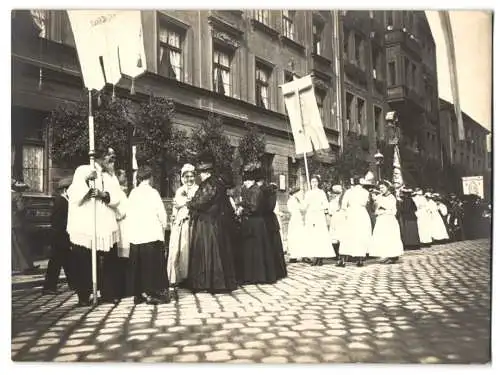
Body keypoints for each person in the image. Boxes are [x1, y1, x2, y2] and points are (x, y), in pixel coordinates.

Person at [66, 146, 125, 306]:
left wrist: (104, 195)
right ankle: (84, 295)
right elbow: (74, 193)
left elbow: (118, 198)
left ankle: (108, 292)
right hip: (87, 224)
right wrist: (87, 181)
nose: (112, 158)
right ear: (99, 157)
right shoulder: (84, 170)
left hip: (106, 223)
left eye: (113, 155)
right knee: (83, 260)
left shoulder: (111, 176)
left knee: (110, 260)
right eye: (109, 155)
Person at [186, 158, 237, 294]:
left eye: (201, 172)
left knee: (207, 251)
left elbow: (201, 202)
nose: (200, 175)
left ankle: (208, 282)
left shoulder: (209, 184)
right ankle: (219, 281)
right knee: (218, 251)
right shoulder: (219, 183)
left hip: (207, 222)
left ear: (206, 172)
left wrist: (189, 203)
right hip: (218, 221)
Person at [126, 165, 170, 305]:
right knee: (152, 265)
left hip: (137, 236)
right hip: (151, 235)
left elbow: (129, 213)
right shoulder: (153, 193)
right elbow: (161, 213)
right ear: (150, 178)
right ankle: (155, 293)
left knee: (139, 265)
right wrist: (164, 225)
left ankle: (139, 293)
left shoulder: (133, 193)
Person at [236, 162, 277, 284]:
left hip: (256, 223)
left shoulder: (255, 191)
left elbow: (254, 207)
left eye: (247, 181)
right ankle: (251, 275)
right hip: (251, 223)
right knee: (250, 250)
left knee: (256, 250)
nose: (245, 183)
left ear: (251, 180)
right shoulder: (250, 190)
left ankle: (258, 276)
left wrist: (242, 206)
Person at [167, 163, 199, 297]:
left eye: (191, 176)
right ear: (182, 177)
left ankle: (192, 278)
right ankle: (179, 277)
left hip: (192, 221)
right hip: (181, 223)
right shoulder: (179, 190)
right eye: (186, 177)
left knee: (191, 249)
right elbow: (175, 206)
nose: (189, 179)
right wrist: (173, 217)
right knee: (179, 249)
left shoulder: (198, 189)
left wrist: (186, 202)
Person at [42, 176, 74, 295]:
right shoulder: (61, 200)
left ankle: (74, 284)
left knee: (68, 261)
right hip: (59, 237)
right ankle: (48, 287)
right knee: (55, 263)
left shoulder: (65, 200)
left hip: (62, 237)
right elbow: (56, 220)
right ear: (66, 189)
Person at [257, 169, 287, 280]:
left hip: (267, 220)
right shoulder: (270, 190)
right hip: (271, 220)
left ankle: (273, 271)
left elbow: (268, 207)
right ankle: (278, 270)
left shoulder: (265, 191)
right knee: (274, 247)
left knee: (270, 246)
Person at [337, 176, 372, 267]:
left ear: (353, 182)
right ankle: (360, 259)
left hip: (351, 213)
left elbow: (344, 205)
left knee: (347, 235)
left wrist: (344, 213)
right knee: (361, 235)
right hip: (362, 214)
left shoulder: (349, 192)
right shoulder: (365, 192)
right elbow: (366, 203)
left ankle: (343, 260)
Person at [370, 180, 404, 264]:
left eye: (383, 187)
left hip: (389, 219)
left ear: (387, 188)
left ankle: (393, 256)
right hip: (381, 219)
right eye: (380, 188)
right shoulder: (379, 196)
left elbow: (391, 209)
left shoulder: (391, 197)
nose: (381, 189)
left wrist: (381, 206)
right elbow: (375, 208)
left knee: (390, 237)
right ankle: (387, 254)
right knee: (383, 237)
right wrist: (374, 201)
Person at [303, 175, 334, 266]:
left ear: (318, 182)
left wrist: (320, 208)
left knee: (320, 235)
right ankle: (314, 256)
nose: (314, 183)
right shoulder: (308, 193)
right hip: (310, 215)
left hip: (319, 216)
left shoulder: (321, 193)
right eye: (312, 182)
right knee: (312, 236)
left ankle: (320, 258)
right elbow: (305, 205)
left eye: (315, 182)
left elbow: (325, 204)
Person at [11, 179, 39, 274]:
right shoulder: (16, 195)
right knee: (23, 245)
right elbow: (21, 209)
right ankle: (26, 267)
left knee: (14, 246)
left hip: (11, 223)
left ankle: (17, 267)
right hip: (18, 223)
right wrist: (28, 205)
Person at [286, 186, 306, 262]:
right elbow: (300, 209)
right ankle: (293, 255)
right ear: (295, 193)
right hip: (295, 220)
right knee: (294, 236)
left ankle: (301, 254)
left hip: (298, 219)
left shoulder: (297, 200)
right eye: (299, 193)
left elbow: (303, 208)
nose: (300, 194)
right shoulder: (291, 201)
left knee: (300, 236)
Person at [328, 185, 345, 260]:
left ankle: (340, 254)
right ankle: (338, 254)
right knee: (336, 235)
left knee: (338, 235)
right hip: (336, 218)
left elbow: (330, 211)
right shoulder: (333, 202)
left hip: (339, 218)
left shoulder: (340, 201)